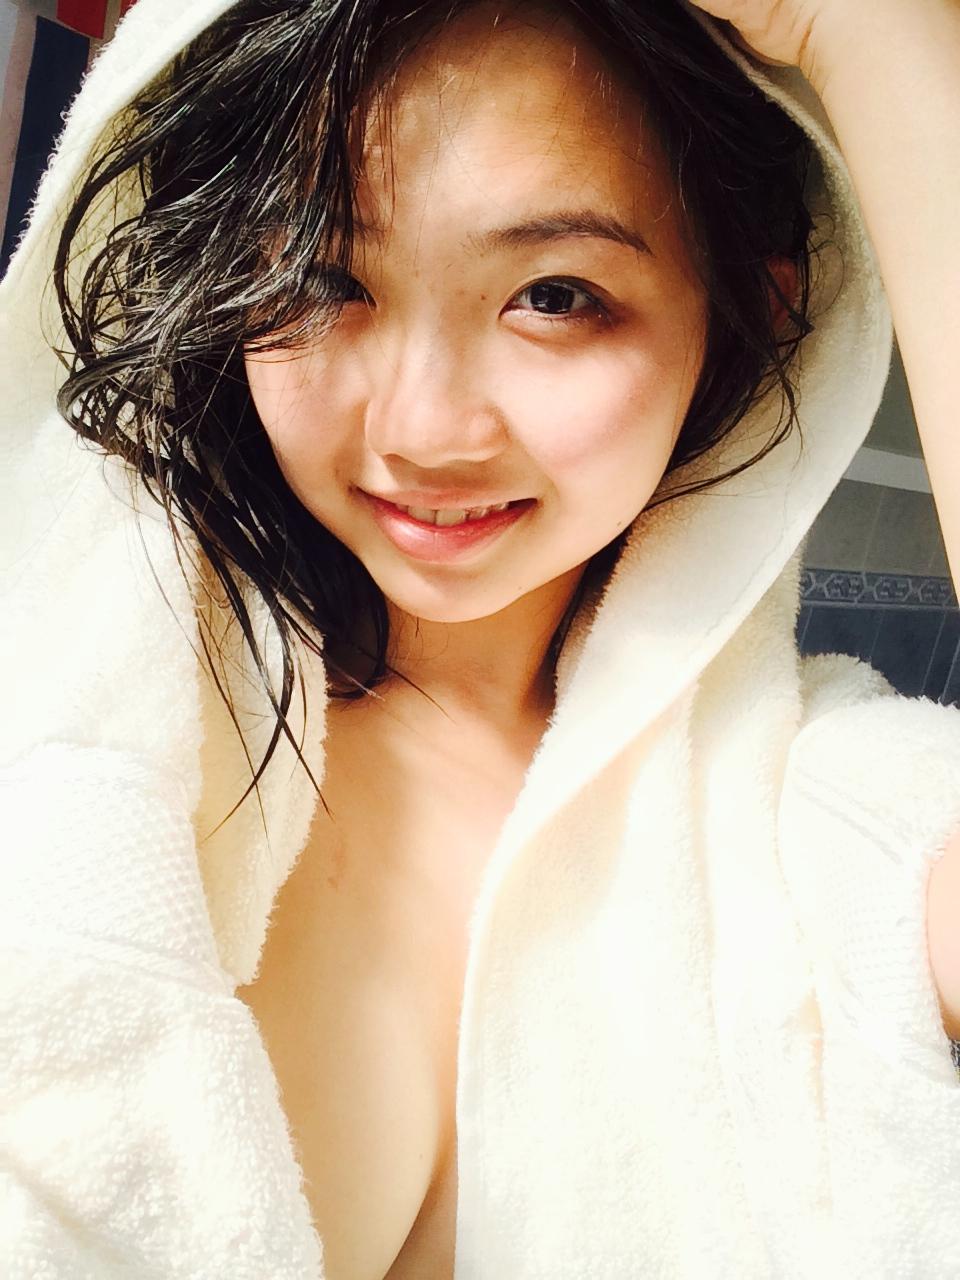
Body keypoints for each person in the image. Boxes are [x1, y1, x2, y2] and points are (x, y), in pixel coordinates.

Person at [1, 0, 959, 1276]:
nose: (423, 429)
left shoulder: (796, 806)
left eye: (554, 296)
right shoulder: (88, 726)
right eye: (322, 280)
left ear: (756, 306)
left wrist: (870, 30)